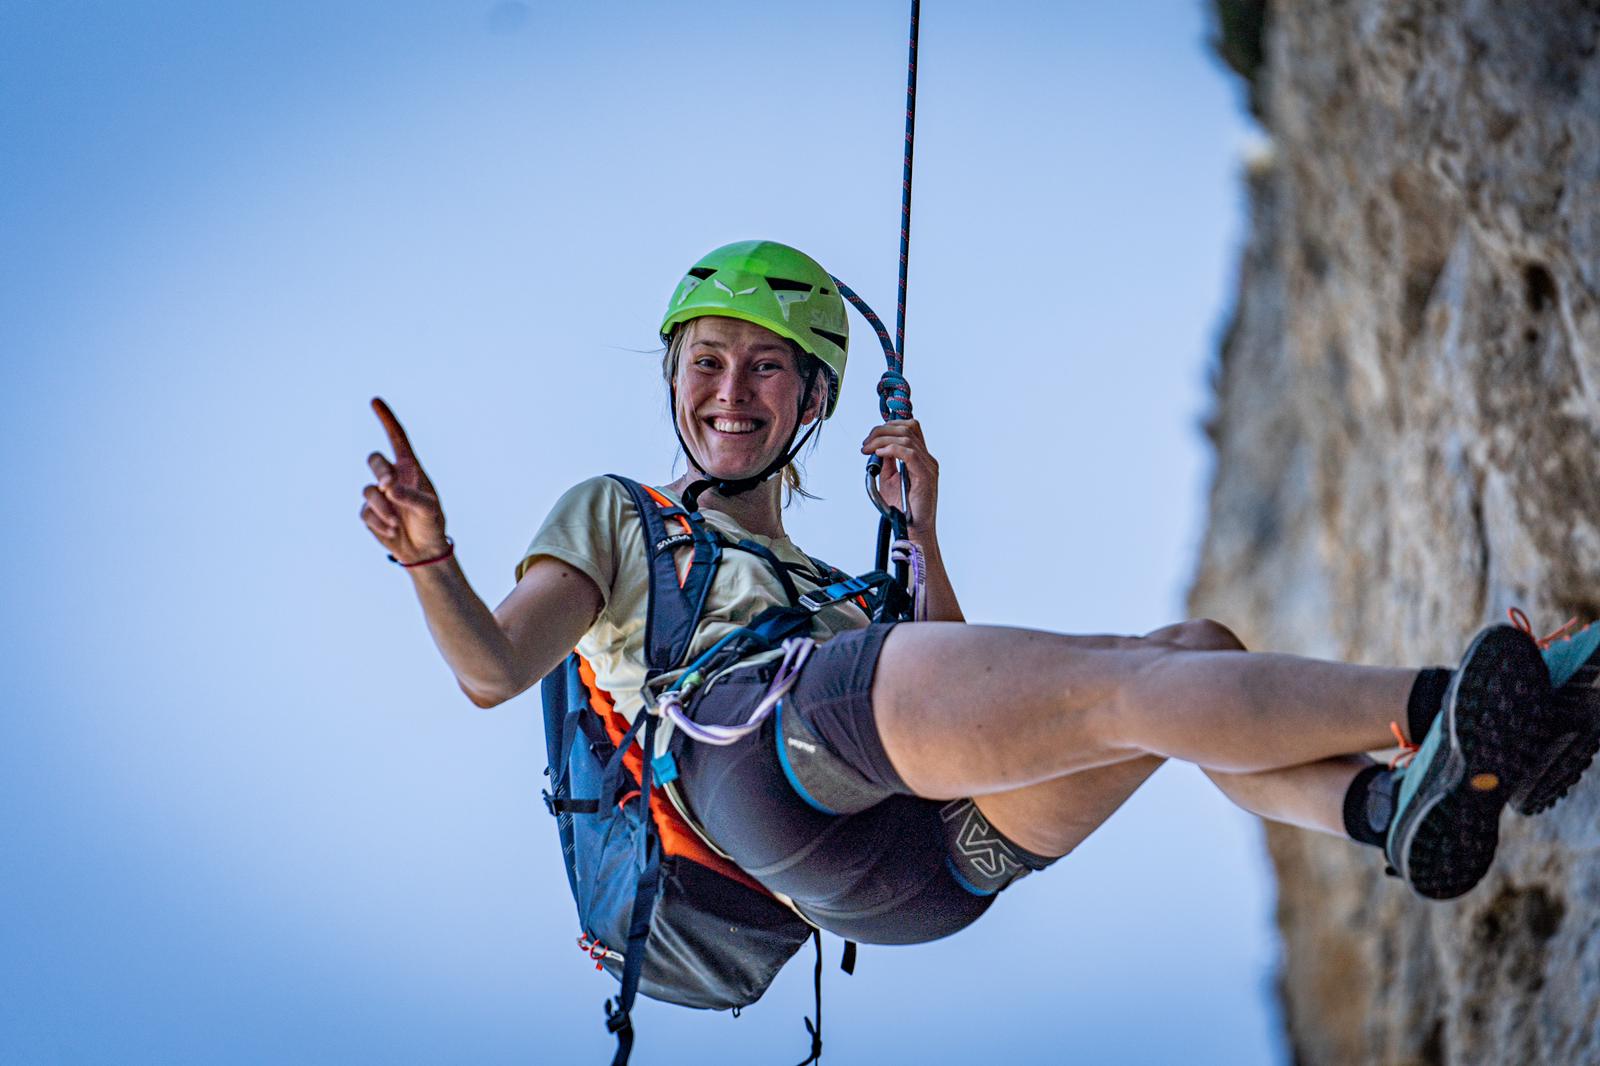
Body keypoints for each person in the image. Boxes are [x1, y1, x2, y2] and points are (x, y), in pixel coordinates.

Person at [360, 239, 1600, 943]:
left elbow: (966, 710)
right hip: (751, 751)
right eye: (707, 360)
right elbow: (492, 669)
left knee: (1187, 655)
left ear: (812, 401)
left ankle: (1384, 808)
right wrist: (430, 558)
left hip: (911, 879)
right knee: (1123, 686)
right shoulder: (616, 514)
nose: (731, 389)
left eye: (766, 367)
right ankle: (1461, 704)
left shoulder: (838, 590)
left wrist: (921, 534)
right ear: (673, 378)